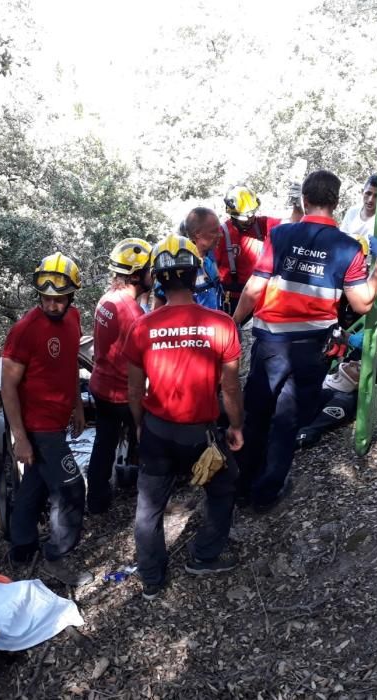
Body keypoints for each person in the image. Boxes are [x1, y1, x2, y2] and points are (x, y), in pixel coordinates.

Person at [232, 170, 377, 512]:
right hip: (312, 351)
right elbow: (362, 303)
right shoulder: (348, 247)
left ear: (304, 200)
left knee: (255, 416)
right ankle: (265, 494)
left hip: (270, 346)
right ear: (336, 202)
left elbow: (254, 288)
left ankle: (241, 487)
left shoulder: (281, 234)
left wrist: (233, 323)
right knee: (287, 422)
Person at [124, 234, 244, 600]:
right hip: (199, 433)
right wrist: (236, 425)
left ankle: (151, 579)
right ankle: (204, 556)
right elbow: (230, 388)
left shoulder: (143, 327)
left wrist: (140, 426)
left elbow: (133, 390)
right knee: (224, 487)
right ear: (196, 276)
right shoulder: (220, 324)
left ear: (158, 279)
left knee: (149, 508)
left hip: (158, 432)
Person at [1, 252, 93, 587]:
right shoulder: (24, 330)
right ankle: (58, 555)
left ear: (72, 295)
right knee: (71, 488)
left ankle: (22, 545)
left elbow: (69, 365)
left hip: (57, 419)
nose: (53, 305)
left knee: (35, 484)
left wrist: (77, 406)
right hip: (38, 427)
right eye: (46, 298)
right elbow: (8, 387)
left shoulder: (73, 319)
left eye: (60, 299)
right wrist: (20, 437)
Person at [86, 237, 152, 514]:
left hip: (100, 386)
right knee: (146, 437)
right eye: (150, 269)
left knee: (104, 443)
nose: (154, 274)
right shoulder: (134, 314)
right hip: (122, 393)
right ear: (137, 275)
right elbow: (145, 362)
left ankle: (98, 502)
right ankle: (147, 496)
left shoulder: (106, 300)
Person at [214, 186, 282, 314]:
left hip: (258, 299)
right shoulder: (221, 234)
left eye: (252, 214)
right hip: (231, 301)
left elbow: (293, 225)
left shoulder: (262, 225)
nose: (251, 219)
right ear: (233, 214)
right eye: (246, 217)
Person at [152, 208, 224, 310]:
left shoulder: (209, 263)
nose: (220, 235)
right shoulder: (172, 269)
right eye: (214, 231)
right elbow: (157, 310)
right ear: (197, 233)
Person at [339, 173, 377, 251]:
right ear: (363, 192)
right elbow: (341, 243)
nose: (370, 200)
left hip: (376, 261)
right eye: (368, 193)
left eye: (376, 196)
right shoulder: (352, 212)